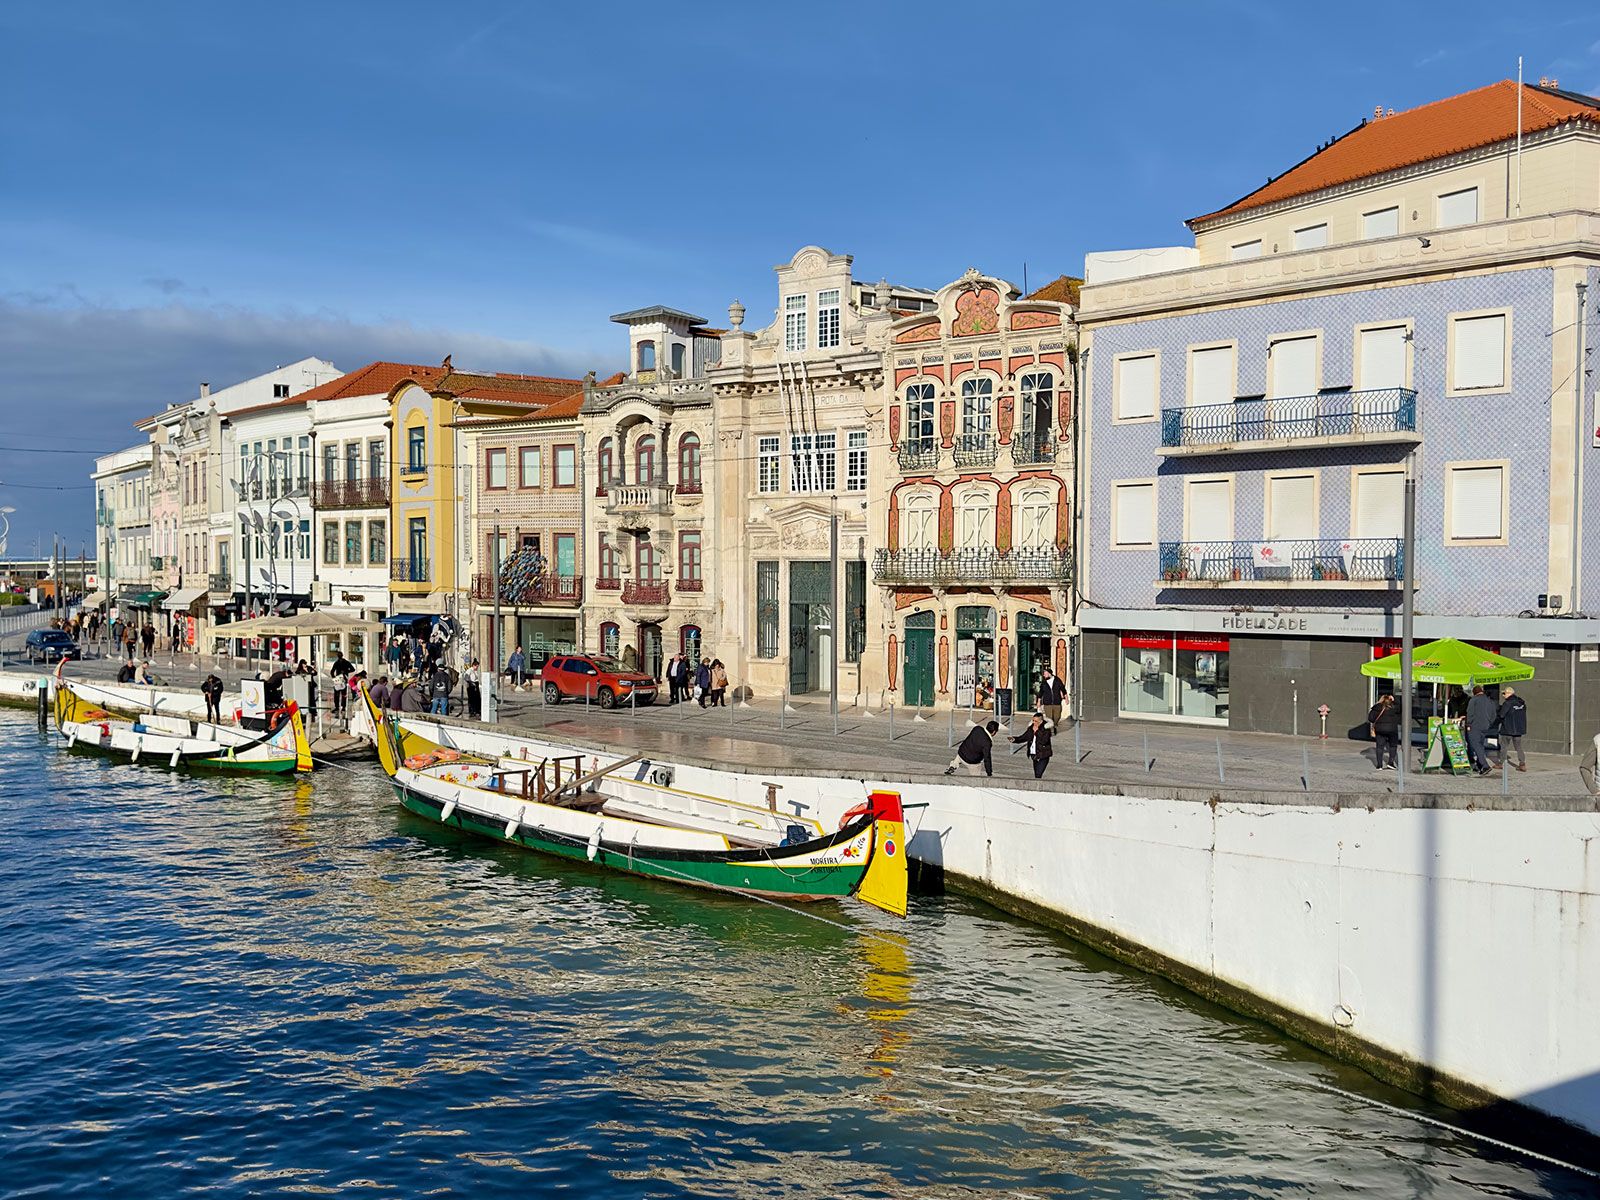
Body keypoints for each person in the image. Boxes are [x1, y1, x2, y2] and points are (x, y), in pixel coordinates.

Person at [1493, 685, 1528, 772]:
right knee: (1519, 747)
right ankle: (1522, 763)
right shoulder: (1521, 703)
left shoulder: (1507, 703)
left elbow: (1501, 715)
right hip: (1519, 730)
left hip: (1507, 729)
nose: (1503, 695)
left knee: (1504, 746)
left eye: (1504, 693)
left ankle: (1501, 763)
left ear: (1509, 694)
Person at [1464, 684, 1497, 776]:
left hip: (1475, 726)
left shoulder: (1473, 700)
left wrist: (1468, 724)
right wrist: (1489, 723)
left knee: (1476, 745)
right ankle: (1479, 765)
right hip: (1485, 726)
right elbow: (1494, 714)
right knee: (1481, 745)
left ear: (1474, 692)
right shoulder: (1490, 701)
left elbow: (1470, 713)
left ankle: (1485, 765)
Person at [1011, 711, 1054, 779]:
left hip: (1043, 755)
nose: (1034, 723)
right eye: (1033, 720)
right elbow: (1024, 737)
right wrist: (1015, 739)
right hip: (1034, 754)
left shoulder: (1046, 730)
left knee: (1038, 774)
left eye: (1036, 721)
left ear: (1041, 722)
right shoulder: (1031, 728)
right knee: (1036, 774)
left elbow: (1044, 741)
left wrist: (1037, 732)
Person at [1367, 692, 1400, 771]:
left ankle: (1379, 765)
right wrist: (1394, 700)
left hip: (1380, 730)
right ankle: (1390, 763)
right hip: (1392, 730)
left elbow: (1370, 718)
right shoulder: (1394, 707)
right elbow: (1401, 708)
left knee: (1379, 747)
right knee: (1393, 746)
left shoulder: (1377, 707)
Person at [329, 651, 354, 718]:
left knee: (343, 694)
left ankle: (342, 706)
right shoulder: (337, 663)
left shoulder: (345, 662)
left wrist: (346, 671)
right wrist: (333, 677)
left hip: (343, 679)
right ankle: (337, 707)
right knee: (337, 694)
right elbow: (332, 671)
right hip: (338, 679)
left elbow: (352, 669)